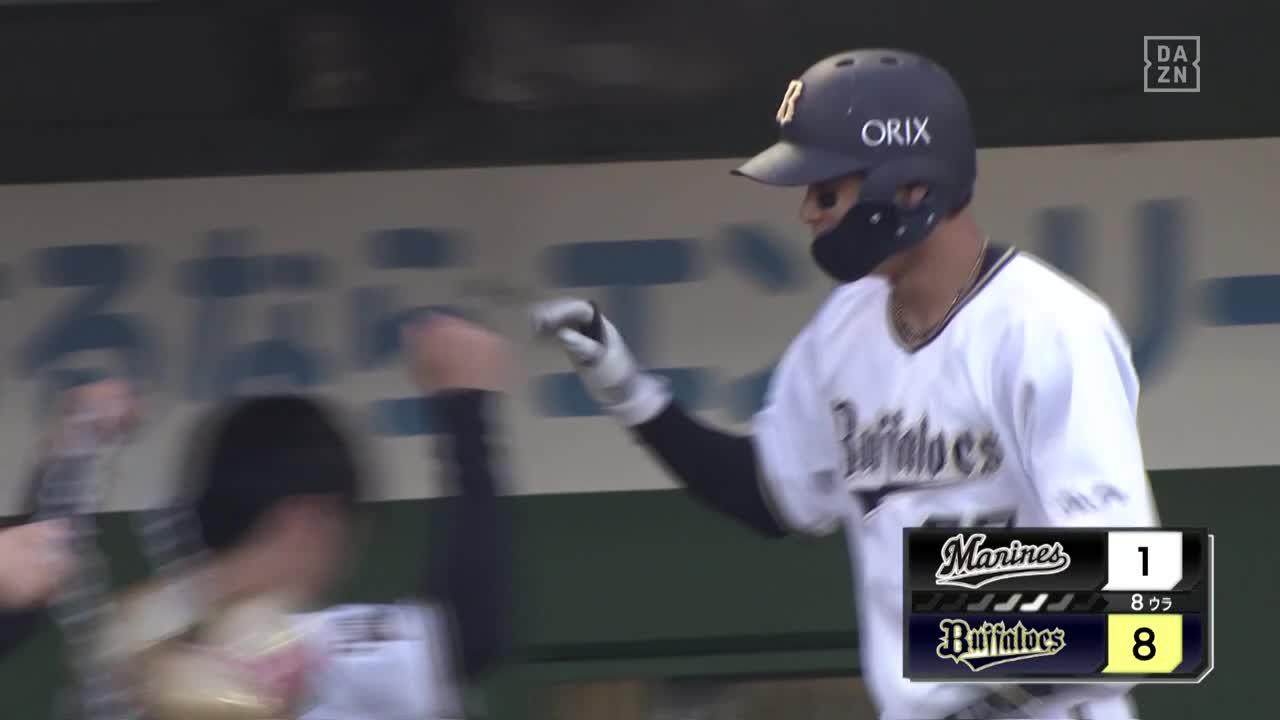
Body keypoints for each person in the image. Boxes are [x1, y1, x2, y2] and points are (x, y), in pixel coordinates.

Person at [531, 48, 1158, 719]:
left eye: (827, 191)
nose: (808, 212)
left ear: (912, 188)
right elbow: (769, 495)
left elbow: (1134, 605)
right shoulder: (845, 327)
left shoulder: (1046, 326)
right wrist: (628, 392)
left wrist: (983, 698)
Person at [97, 313, 513, 720]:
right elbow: (465, 635)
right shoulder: (300, 645)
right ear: (308, 520)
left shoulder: (138, 638)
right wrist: (464, 405)